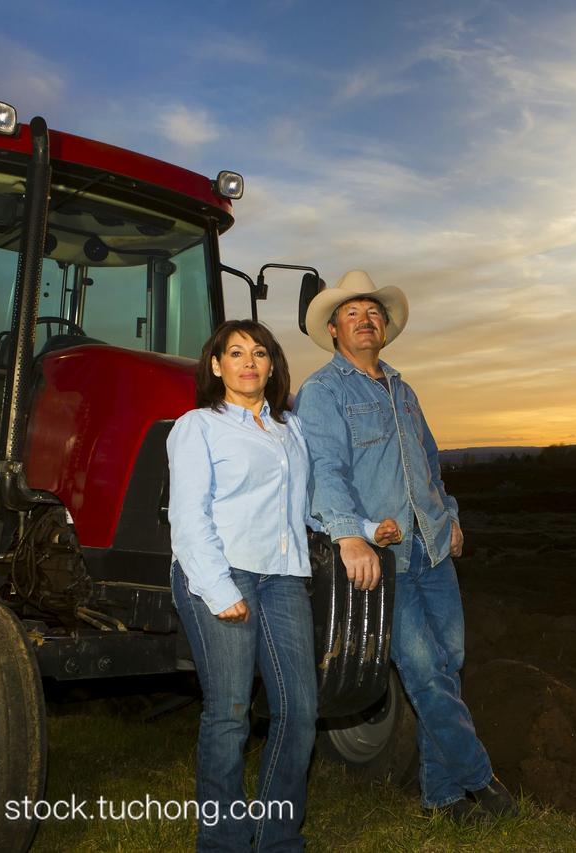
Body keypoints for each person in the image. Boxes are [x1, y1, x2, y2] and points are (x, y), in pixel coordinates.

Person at [294, 270, 517, 823]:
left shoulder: (404, 390)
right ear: (333, 327)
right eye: (352, 313)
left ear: (385, 327)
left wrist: (451, 516)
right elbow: (324, 470)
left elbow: (429, 462)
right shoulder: (324, 393)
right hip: (383, 560)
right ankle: (481, 780)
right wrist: (349, 533)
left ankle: (441, 797)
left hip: (432, 549)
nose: (365, 320)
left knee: (450, 662)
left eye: (373, 312)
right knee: (423, 668)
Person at [167, 319, 317, 852]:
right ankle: (223, 842)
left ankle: (278, 840)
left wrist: (364, 531)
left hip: (283, 577)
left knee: (299, 712)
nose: (248, 362)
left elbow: (306, 506)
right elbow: (187, 518)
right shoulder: (197, 426)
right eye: (235, 352)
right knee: (229, 712)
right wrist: (218, 588)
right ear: (216, 365)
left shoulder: (290, 430)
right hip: (220, 572)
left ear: (272, 365)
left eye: (259, 353)